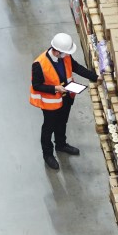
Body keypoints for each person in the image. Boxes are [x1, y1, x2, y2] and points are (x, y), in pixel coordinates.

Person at [30, 33, 100, 170]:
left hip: (66, 98)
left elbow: (77, 67)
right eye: (64, 53)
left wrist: (95, 77)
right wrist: (55, 88)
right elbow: (36, 85)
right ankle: (48, 154)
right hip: (51, 103)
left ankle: (61, 144)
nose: (66, 55)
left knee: (62, 122)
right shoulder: (39, 64)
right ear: (56, 51)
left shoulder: (65, 56)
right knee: (48, 128)